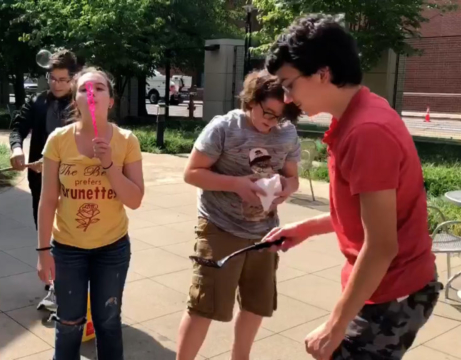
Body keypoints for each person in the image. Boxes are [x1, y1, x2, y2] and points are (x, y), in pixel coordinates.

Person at [264, 14, 441, 360]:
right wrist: (308, 228)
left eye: (288, 84)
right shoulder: (359, 114)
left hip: (395, 291)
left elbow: (381, 246)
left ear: (323, 73)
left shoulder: (366, 132)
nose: (286, 98)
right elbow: (370, 215)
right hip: (390, 285)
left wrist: (334, 325)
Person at [176, 70, 302, 360]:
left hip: (264, 231)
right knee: (204, 306)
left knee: (256, 305)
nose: (270, 123)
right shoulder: (224, 128)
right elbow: (191, 173)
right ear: (251, 99)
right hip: (220, 226)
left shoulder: (287, 134)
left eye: (279, 117)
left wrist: (286, 189)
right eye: (266, 113)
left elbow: (292, 178)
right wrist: (236, 184)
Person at [37, 67, 144, 360]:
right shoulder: (58, 140)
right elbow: (47, 201)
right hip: (68, 249)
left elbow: (135, 200)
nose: (92, 93)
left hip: (112, 249)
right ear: (75, 100)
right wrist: (43, 250)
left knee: (108, 321)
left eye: (100, 88)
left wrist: (109, 164)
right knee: (69, 323)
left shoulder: (126, 141)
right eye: (84, 89)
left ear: (111, 101)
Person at [9, 49, 80, 230]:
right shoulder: (37, 102)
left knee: (72, 232)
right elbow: (18, 128)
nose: (56, 85)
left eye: (62, 80)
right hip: (40, 179)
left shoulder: (81, 104)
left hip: (74, 180)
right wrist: (17, 149)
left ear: (73, 78)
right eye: (52, 78)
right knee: (43, 230)